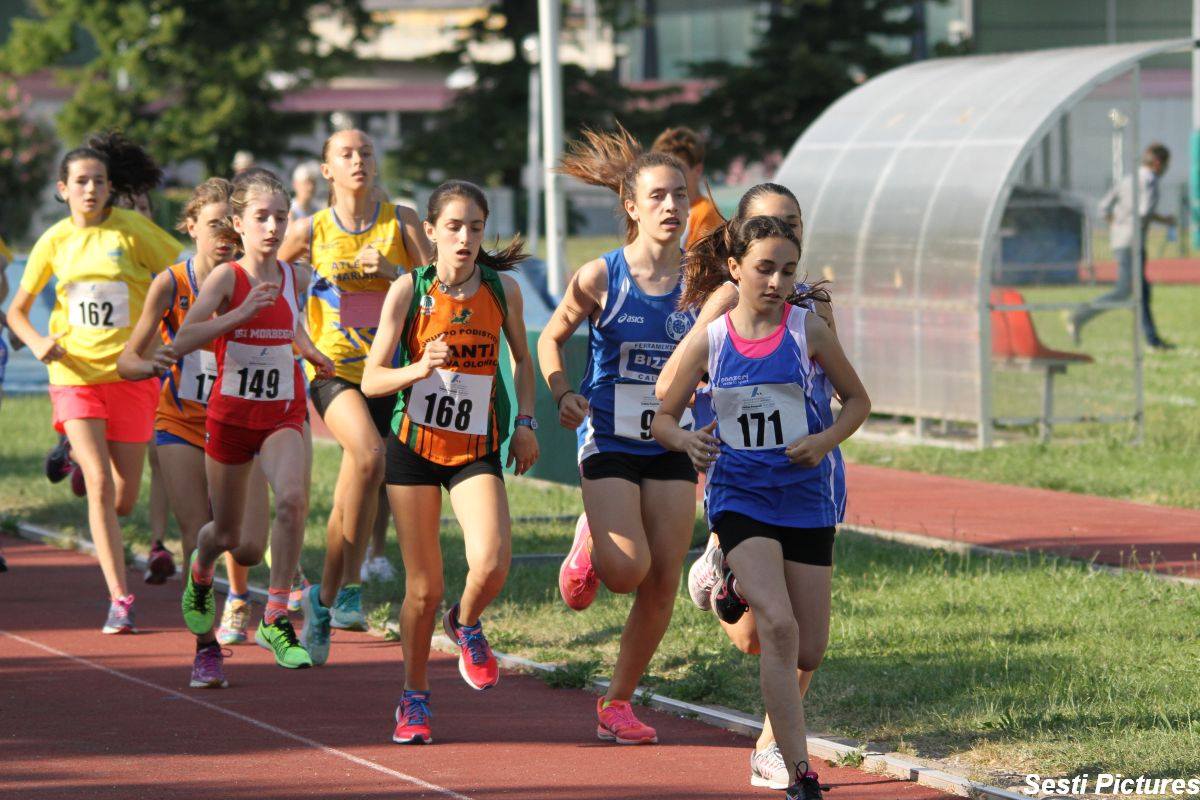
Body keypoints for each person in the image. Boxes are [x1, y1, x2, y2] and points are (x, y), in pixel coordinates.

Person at [652, 214, 870, 800]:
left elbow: (857, 401)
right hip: (740, 498)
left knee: (809, 647)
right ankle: (799, 772)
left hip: (805, 498)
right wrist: (687, 441)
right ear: (735, 269)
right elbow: (663, 418)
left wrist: (824, 441)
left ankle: (732, 581)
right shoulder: (712, 340)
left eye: (788, 271)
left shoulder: (808, 331)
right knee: (778, 626)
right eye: (765, 269)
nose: (776, 282)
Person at [362, 179, 539, 744]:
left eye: (476, 228)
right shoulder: (408, 290)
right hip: (413, 448)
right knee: (423, 588)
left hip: (474, 446)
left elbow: (522, 360)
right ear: (432, 231)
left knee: (492, 561)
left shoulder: (502, 290)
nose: (465, 238)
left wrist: (526, 422)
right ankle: (414, 696)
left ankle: (465, 622)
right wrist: (419, 368)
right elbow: (371, 380)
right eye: (455, 227)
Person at [538, 125, 697, 746]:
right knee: (628, 571)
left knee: (662, 581)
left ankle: (617, 702)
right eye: (657, 196)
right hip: (608, 436)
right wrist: (562, 392)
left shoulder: (704, 281)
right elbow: (552, 338)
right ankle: (591, 538)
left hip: (671, 441)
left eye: (680, 194)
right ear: (631, 206)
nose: (671, 206)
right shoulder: (601, 276)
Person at [6, 132, 181, 633]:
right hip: (74, 373)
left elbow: (180, 275)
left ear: (110, 188)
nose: (90, 190)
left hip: (129, 374)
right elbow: (16, 311)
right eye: (81, 182)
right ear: (63, 189)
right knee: (101, 485)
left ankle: (78, 461)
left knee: (124, 499)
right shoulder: (54, 240)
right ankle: (120, 598)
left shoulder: (133, 231)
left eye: (99, 182)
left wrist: (170, 333)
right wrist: (38, 342)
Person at [278, 128, 432, 662]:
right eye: (345, 154)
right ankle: (341, 590)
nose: (358, 160)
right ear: (328, 170)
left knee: (355, 487)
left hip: (389, 371)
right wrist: (300, 340)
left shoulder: (401, 221)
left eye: (365, 151)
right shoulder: (311, 230)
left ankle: (327, 599)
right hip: (334, 371)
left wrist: (394, 275)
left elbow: (438, 286)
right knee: (368, 456)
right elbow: (270, 282)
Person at [172, 170, 333, 670]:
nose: (273, 227)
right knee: (228, 537)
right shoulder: (227, 278)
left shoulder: (293, 276)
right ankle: (202, 570)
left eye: (281, 218)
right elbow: (183, 340)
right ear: (238, 223)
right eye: (262, 217)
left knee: (293, 500)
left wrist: (310, 351)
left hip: (282, 413)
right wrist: (237, 316)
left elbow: (291, 324)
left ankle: (276, 614)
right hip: (231, 418)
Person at [116, 177, 272, 684]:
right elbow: (127, 360)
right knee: (194, 529)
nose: (224, 235)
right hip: (182, 423)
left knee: (247, 546)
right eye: (213, 224)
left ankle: (235, 588)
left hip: (242, 424)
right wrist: (152, 364)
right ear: (190, 227)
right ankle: (206, 648)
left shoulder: (252, 280)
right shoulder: (170, 283)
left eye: (230, 225)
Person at [1068, 143, 1176, 350]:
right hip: (1133, 242)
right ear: (1157, 163)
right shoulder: (1150, 181)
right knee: (1124, 290)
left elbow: (1103, 208)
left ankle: (1152, 339)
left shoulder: (1128, 179)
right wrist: (1165, 220)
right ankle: (1079, 316)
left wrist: (1117, 226)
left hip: (1120, 240)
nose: (1166, 169)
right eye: (1166, 164)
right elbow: (1144, 212)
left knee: (1142, 290)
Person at [651, 126, 724, 250]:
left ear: (698, 170)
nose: (671, 176)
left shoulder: (705, 214)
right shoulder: (660, 208)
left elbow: (696, 261)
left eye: (678, 169)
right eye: (665, 170)